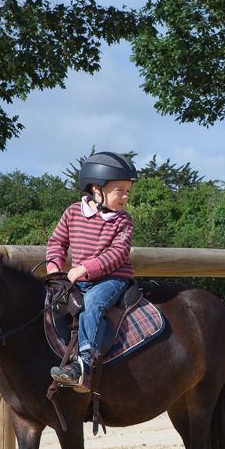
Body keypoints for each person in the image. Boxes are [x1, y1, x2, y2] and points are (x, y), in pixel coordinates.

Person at [47, 151, 138, 392]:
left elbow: (118, 254)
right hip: (80, 277)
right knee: (53, 304)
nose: (125, 196)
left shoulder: (123, 220)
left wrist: (85, 268)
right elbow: (57, 243)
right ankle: (60, 356)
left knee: (92, 304)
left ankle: (85, 365)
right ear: (97, 189)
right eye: (120, 190)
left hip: (112, 278)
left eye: (128, 191)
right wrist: (54, 268)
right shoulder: (73, 212)